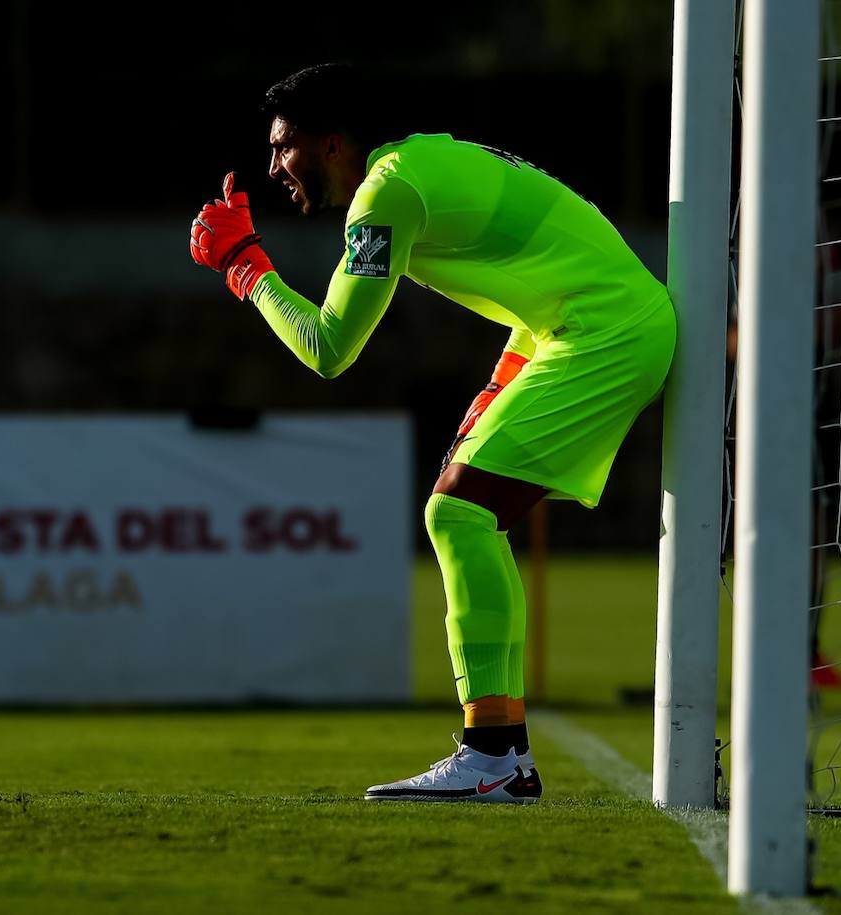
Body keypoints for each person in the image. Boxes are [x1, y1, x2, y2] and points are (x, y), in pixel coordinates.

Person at [189, 63, 676, 803]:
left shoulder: (387, 195)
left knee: (458, 511)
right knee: (463, 513)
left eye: (284, 146)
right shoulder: (412, 166)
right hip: (568, 325)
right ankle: (501, 751)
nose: (272, 167)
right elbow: (546, 264)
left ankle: (494, 755)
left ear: (332, 144)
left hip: (601, 331)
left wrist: (244, 267)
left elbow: (328, 348)